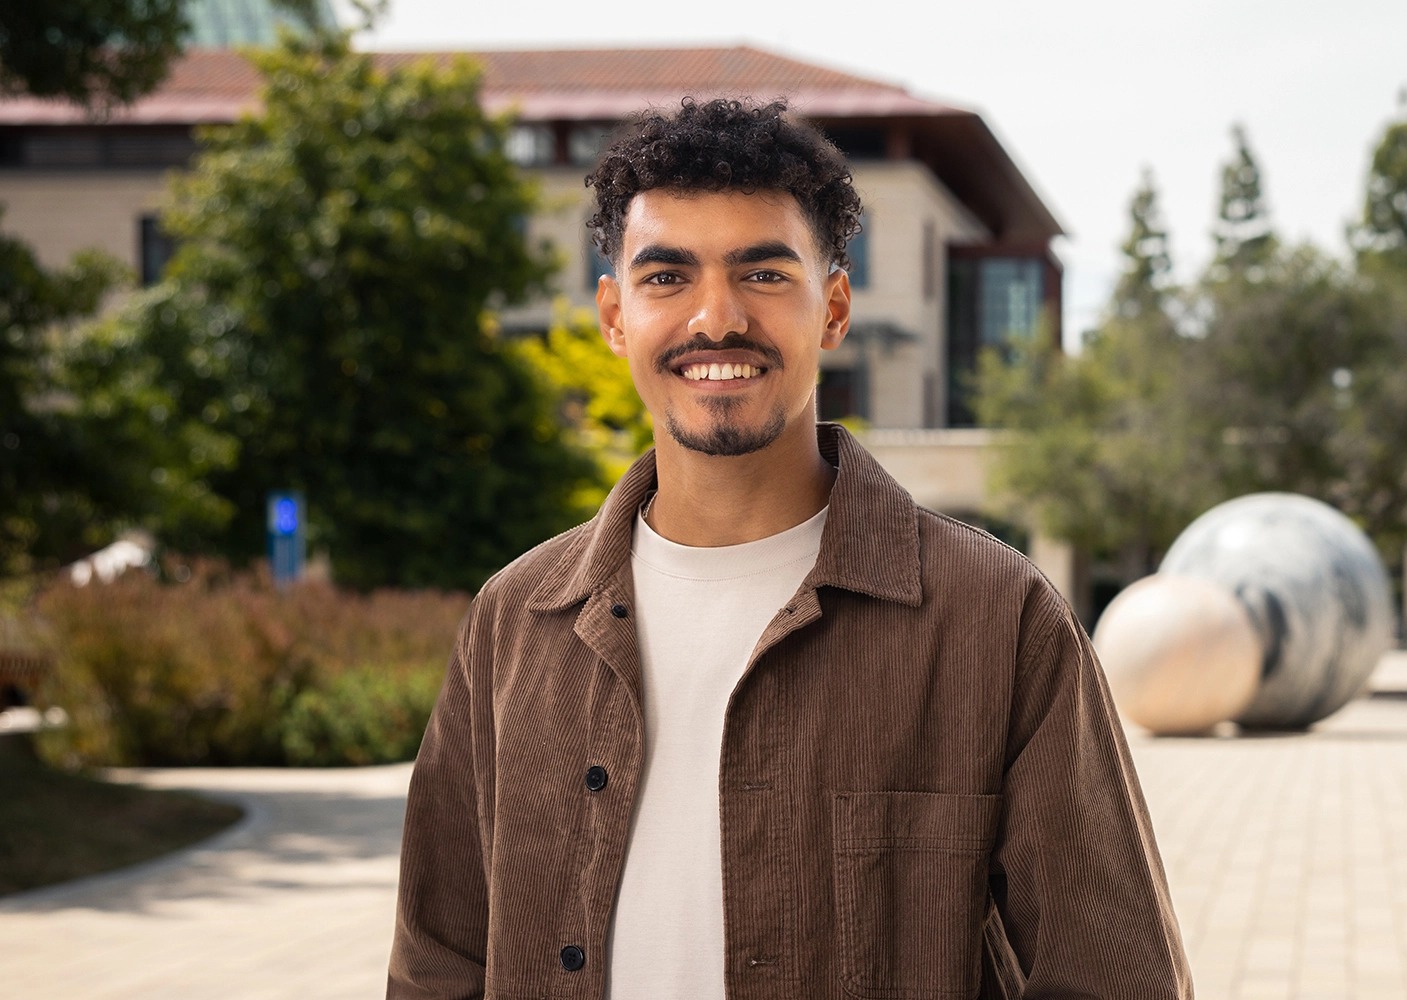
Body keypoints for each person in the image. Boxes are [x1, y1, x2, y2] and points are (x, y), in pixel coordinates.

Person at [388, 97, 1193, 1000]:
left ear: (834, 307)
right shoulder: (515, 622)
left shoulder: (996, 618)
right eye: (668, 279)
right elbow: (438, 964)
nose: (715, 319)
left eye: (763, 274)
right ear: (614, 317)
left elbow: (1117, 978)